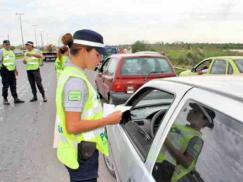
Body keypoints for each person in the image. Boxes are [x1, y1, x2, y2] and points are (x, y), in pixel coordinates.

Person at [56, 29, 122, 182]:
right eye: (98, 54)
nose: (100, 60)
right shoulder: (76, 82)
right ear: (85, 51)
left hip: (79, 149)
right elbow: (72, 126)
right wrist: (108, 120)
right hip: (81, 154)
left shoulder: (72, 73)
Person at [153, 103, 215, 182]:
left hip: (163, 169)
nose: (190, 111)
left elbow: (186, 162)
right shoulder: (180, 126)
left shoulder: (196, 139)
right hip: (154, 160)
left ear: (204, 121)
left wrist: (165, 140)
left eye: (195, 112)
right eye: (191, 110)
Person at [0, 40, 24, 105]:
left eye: (8, 44)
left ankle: (15, 98)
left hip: (12, 71)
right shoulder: (1, 51)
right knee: (6, 85)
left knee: (13, 85)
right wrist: (2, 68)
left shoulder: (11, 52)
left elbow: (13, 62)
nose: (7, 46)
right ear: (3, 45)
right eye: (6, 44)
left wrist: (16, 70)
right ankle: (5, 99)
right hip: (5, 70)